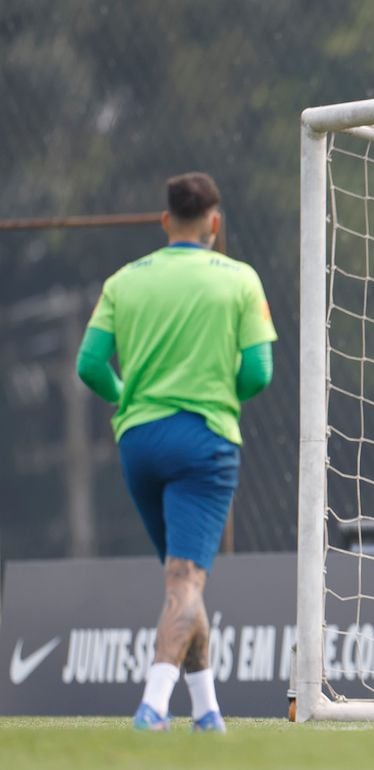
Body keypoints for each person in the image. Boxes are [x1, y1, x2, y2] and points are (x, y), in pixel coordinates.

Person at [75, 172, 277, 731]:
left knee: (182, 577)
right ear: (214, 222)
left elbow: (90, 365)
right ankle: (153, 705)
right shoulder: (238, 279)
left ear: (165, 221)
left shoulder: (125, 280)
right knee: (185, 582)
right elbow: (259, 372)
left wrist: (128, 400)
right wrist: (216, 398)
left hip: (139, 442)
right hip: (203, 441)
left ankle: (208, 710)